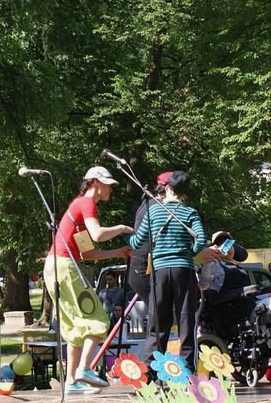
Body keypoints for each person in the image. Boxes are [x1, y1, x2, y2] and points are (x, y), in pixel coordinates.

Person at [44, 166, 133, 394]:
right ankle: (84, 368)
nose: (111, 189)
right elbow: (98, 234)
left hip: (54, 267)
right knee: (99, 319)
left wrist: (118, 252)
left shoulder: (77, 208)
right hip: (64, 266)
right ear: (95, 182)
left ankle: (71, 381)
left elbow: (87, 254)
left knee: (75, 326)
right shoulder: (86, 203)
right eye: (108, 185)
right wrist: (122, 228)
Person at [127, 170, 209, 373]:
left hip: (160, 272)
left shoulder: (153, 212)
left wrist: (128, 238)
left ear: (167, 188)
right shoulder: (190, 213)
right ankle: (187, 370)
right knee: (186, 319)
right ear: (185, 194)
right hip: (184, 270)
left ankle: (150, 370)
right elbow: (200, 239)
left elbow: (137, 242)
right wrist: (189, 253)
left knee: (158, 321)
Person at [126, 172, 169, 299]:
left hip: (142, 268)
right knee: (159, 309)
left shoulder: (150, 203)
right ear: (168, 190)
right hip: (143, 269)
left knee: (161, 308)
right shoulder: (158, 208)